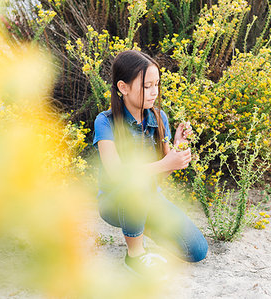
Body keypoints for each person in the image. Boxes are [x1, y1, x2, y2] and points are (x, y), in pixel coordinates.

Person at [93, 50, 208, 276]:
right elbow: (117, 174)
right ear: (123, 87)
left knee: (196, 251)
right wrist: (167, 163)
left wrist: (177, 148)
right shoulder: (105, 122)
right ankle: (134, 255)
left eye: (157, 84)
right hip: (114, 202)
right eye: (147, 86)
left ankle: (140, 224)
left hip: (150, 197)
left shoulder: (158, 117)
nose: (154, 92)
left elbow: (161, 174)